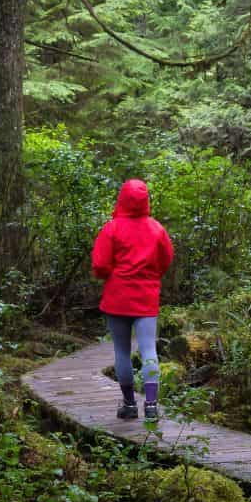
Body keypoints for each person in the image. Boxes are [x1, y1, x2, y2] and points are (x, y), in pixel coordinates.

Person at [91, 179, 174, 420]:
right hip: (146, 298)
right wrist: (151, 276)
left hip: (117, 297)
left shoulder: (112, 228)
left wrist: (107, 275)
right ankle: (151, 405)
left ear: (122, 198)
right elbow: (166, 259)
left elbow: (100, 264)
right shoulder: (156, 229)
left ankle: (129, 405)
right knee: (149, 350)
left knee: (121, 352)